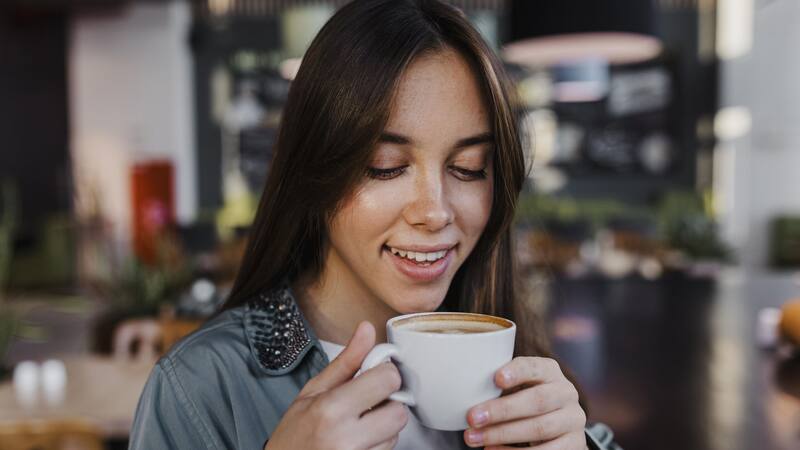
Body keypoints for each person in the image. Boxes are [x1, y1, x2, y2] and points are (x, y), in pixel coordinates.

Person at [129, 1, 622, 449]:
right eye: (385, 165)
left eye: (469, 167)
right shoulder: (199, 388)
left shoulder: (515, 366)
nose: (435, 211)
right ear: (315, 169)